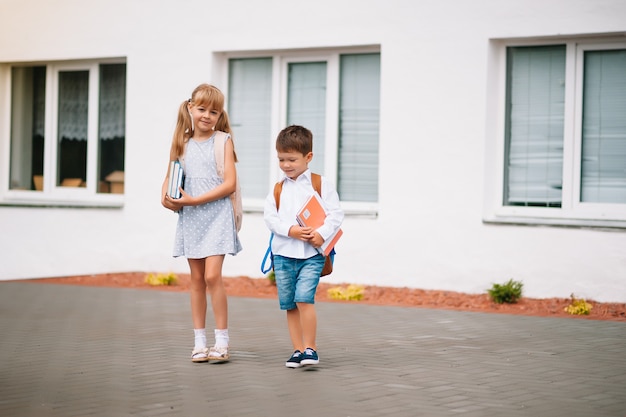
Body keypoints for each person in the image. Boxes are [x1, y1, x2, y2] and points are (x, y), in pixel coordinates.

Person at [161, 84, 242, 363]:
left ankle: (222, 341)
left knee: (211, 277)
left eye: (214, 111)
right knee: (196, 280)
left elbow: (230, 184)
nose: (207, 115)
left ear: (220, 115)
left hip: (217, 215)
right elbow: (170, 176)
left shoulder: (223, 140)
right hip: (192, 218)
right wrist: (167, 198)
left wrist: (196, 200)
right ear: (191, 108)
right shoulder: (181, 142)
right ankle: (199, 342)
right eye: (202, 109)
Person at [263, 125, 344, 368]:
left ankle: (311, 348)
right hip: (284, 255)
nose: (286, 165)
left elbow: (335, 214)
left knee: (304, 298)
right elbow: (270, 218)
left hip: (312, 255)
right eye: (281, 159)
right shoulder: (278, 188)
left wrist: (321, 234)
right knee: (289, 304)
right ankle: (297, 350)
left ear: (308, 157)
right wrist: (291, 230)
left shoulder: (321, 184)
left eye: (292, 159)